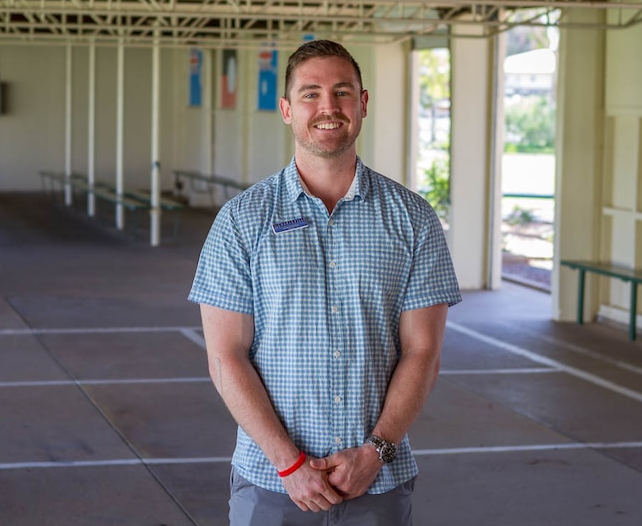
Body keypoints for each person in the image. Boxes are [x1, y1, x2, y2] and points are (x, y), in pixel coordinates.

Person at [188, 39, 461, 526]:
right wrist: (290, 464)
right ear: (288, 109)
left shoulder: (413, 220)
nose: (328, 107)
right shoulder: (241, 221)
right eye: (311, 93)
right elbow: (224, 356)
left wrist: (376, 452)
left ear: (363, 103)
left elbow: (424, 352)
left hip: (377, 482)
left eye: (342, 92)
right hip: (273, 484)